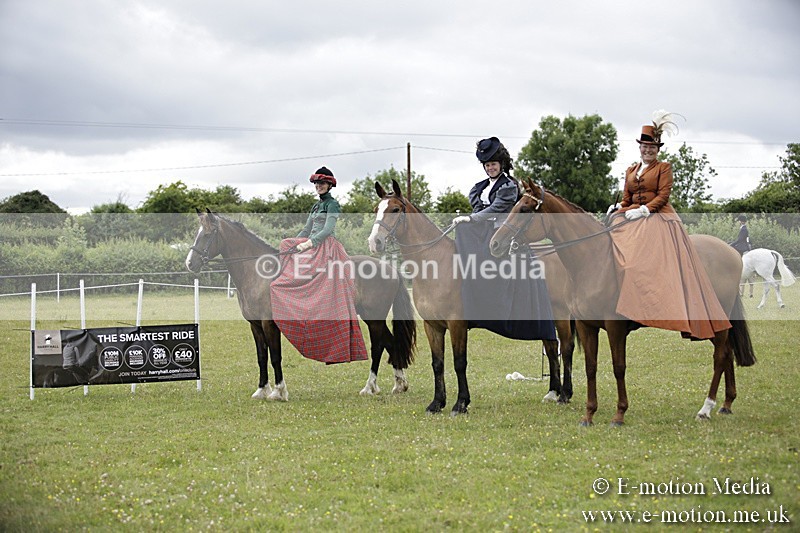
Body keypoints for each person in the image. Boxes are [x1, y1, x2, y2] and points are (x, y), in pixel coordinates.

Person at [609, 113, 730, 339]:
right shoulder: (631, 170)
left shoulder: (663, 168)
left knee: (636, 262)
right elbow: (627, 197)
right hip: (631, 214)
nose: (648, 151)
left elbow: (663, 195)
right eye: (645, 147)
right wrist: (618, 208)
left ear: (657, 149)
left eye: (652, 147)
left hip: (657, 216)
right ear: (640, 148)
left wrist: (644, 210)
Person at [452, 137, 555, 341]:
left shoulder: (508, 186)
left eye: (493, 164)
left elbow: (495, 209)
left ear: (501, 164)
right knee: (462, 231)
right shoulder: (480, 187)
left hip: (503, 233)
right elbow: (479, 208)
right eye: (487, 165)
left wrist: (471, 218)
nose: (490, 168)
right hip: (483, 231)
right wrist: (468, 220)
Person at [269, 167, 368, 364]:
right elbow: (306, 229)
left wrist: (309, 243)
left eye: (322, 183)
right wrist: (294, 244)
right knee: (284, 244)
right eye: (316, 184)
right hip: (311, 243)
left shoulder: (332, 205)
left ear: (329, 185)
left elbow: (328, 229)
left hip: (325, 246)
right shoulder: (316, 207)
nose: (318, 186)